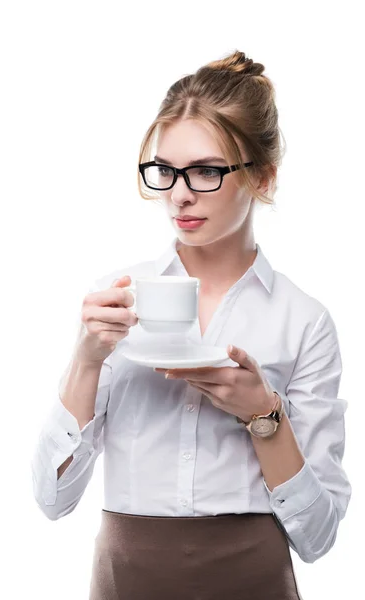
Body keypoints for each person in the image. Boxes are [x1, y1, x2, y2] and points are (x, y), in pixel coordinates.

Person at [31, 50, 351, 599]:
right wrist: (86, 360)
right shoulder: (115, 302)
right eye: (165, 170)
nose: (178, 194)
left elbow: (319, 537)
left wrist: (262, 414)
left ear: (263, 175)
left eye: (205, 170)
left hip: (254, 577)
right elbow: (52, 499)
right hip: (126, 576)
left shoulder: (305, 321)